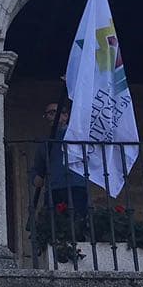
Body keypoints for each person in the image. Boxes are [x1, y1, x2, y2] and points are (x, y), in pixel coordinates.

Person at [36, 101, 91, 237]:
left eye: (54, 112)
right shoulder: (45, 142)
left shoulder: (76, 135)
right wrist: (35, 177)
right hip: (53, 188)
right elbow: (37, 166)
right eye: (48, 114)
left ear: (65, 116)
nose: (51, 116)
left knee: (77, 223)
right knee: (54, 225)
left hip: (75, 185)